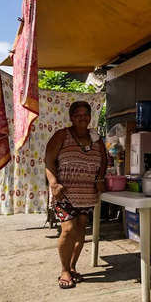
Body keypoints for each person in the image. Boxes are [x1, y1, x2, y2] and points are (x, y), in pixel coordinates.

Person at [45, 101, 107, 289]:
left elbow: (104, 160)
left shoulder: (96, 138)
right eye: (77, 114)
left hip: (87, 193)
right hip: (64, 192)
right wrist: (53, 183)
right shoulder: (62, 135)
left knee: (80, 230)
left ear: (90, 117)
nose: (82, 117)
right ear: (71, 118)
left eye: (85, 114)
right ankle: (64, 270)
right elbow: (48, 160)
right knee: (68, 229)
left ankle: (72, 267)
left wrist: (99, 178)